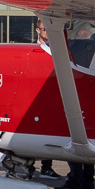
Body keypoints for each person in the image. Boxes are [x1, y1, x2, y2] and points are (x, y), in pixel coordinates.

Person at [35, 19, 60, 179]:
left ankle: (46, 167)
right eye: (45, 29)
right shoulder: (32, 49)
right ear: (38, 31)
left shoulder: (58, 49)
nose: (48, 32)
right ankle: (29, 167)